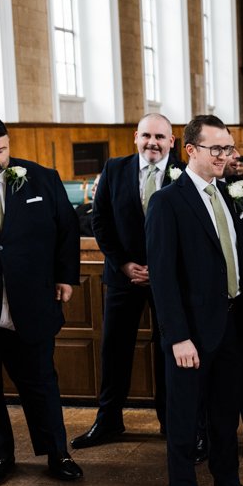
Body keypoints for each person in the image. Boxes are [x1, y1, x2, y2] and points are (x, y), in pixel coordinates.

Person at [146, 114, 243, 486]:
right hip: (190, 334)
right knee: (184, 423)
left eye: (229, 148)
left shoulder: (233, 197)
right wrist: (177, 336)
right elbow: (162, 277)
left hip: (233, 326)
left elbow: (242, 264)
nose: (226, 156)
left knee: (224, 416)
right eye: (216, 148)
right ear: (191, 151)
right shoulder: (168, 202)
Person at [0, 113, 83, 486]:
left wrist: (66, 276)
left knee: (40, 381)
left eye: (1, 149)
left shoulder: (40, 178)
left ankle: (57, 452)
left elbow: (67, 229)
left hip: (29, 304)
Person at [71, 113, 185, 450]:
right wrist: (124, 264)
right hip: (123, 276)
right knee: (114, 348)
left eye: (160, 137)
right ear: (136, 136)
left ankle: (172, 422)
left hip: (170, 279)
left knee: (170, 350)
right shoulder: (115, 169)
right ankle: (108, 421)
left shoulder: (183, 174)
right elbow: (100, 221)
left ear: (172, 142)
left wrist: (163, 267)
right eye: (147, 135)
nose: (153, 142)